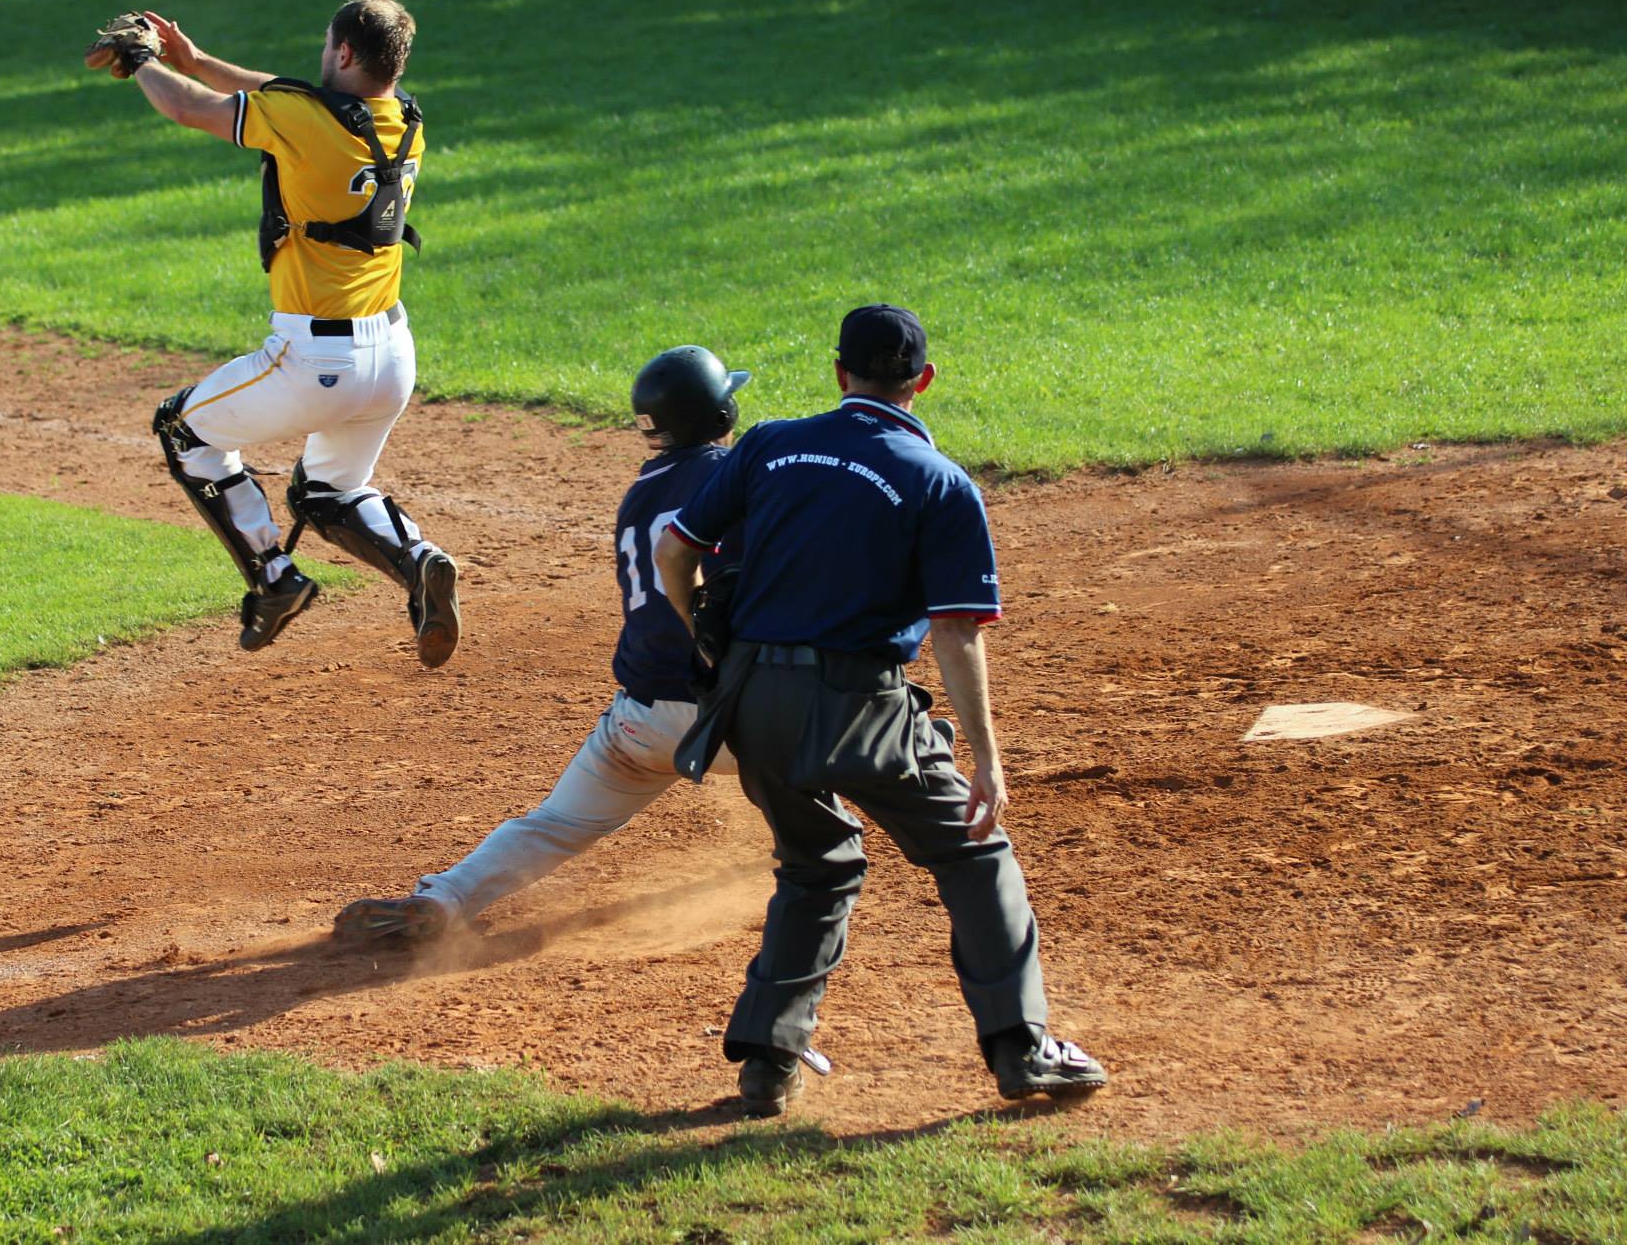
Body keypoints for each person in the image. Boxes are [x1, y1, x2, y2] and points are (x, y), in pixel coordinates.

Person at [653, 304, 1106, 1116]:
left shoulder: (769, 443)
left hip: (749, 702)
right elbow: (955, 632)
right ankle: (1021, 1046)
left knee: (817, 864)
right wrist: (987, 759)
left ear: (840, 374)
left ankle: (768, 1060)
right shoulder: (939, 481)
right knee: (974, 852)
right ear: (922, 381)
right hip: (860, 704)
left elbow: (674, 550)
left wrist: (703, 639)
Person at [84, 0, 460, 666]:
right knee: (327, 492)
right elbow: (290, 95)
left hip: (315, 362)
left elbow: (188, 108)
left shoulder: (304, 122)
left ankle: (273, 578)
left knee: (184, 431)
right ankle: (418, 559)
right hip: (392, 359)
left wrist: (143, 59)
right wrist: (196, 58)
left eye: (327, 44)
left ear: (345, 51)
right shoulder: (403, 119)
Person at [332, 347, 749, 942]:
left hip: (640, 723)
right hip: (734, 721)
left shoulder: (639, 497)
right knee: (842, 751)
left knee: (554, 823)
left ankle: (446, 896)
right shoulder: (737, 480)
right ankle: (822, 852)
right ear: (723, 413)